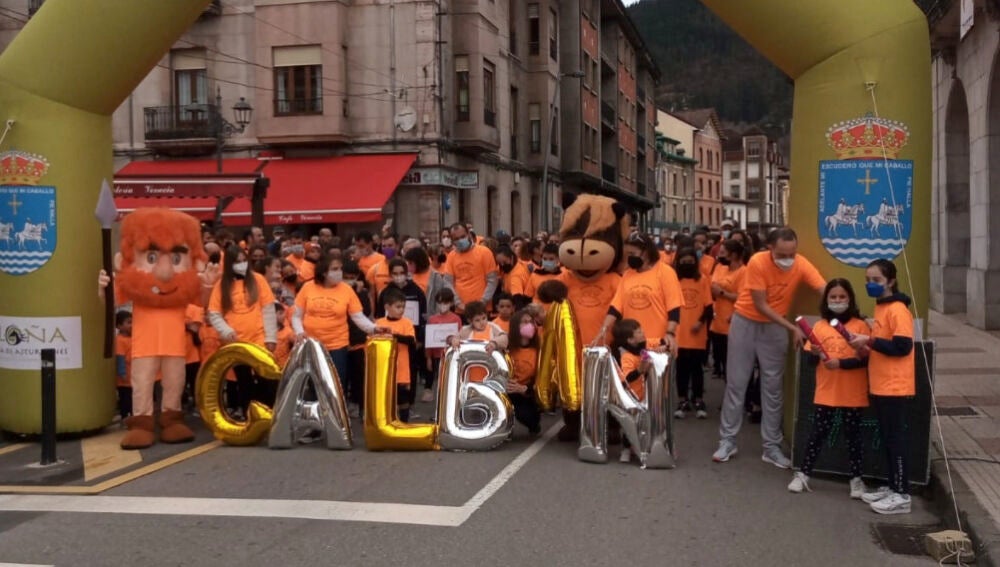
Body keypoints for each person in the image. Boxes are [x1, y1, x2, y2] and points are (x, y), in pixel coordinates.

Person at [714, 227, 826, 467]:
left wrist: (840, 310)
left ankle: (771, 447)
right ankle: (728, 441)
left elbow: (823, 289)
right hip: (746, 322)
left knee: (773, 387)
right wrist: (793, 328)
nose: (788, 259)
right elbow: (761, 305)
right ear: (770, 248)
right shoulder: (757, 262)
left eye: (792, 253)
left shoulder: (801, 264)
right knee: (737, 383)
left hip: (774, 329)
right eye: (783, 254)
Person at [788, 279, 870, 497]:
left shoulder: (860, 326)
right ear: (826, 300)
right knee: (817, 434)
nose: (837, 301)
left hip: (853, 392)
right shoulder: (820, 326)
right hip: (827, 392)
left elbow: (866, 361)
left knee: (853, 436)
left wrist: (841, 363)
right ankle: (803, 474)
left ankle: (856, 479)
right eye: (833, 297)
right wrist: (814, 354)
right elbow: (811, 363)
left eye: (842, 297)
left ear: (850, 299)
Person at [848, 259, 916, 514]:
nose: (870, 285)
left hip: (894, 385)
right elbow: (882, 344)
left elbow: (902, 347)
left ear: (890, 281)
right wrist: (866, 343)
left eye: (876, 280)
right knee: (888, 438)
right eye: (868, 280)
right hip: (880, 383)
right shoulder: (881, 308)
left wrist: (870, 340)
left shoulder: (897, 310)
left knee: (896, 439)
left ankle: (902, 494)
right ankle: (893, 485)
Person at [293, 252, 379, 396]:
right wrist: (299, 331)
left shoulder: (347, 290)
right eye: (334, 269)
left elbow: (358, 317)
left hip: (338, 345)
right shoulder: (308, 287)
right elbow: (296, 316)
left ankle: (337, 417)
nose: (338, 273)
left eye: (339, 269)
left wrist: (374, 328)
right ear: (324, 271)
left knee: (336, 384)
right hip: (312, 344)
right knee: (314, 383)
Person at [208, 245, 278, 415]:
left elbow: (268, 309)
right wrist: (226, 331)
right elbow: (214, 313)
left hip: (259, 339)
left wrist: (271, 337)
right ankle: (248, 414)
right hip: (236, 342)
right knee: (243, 380)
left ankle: (269, 413)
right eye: (237, 262)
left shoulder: (258, 280)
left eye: (243, 261)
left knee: (266, 379)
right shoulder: (221, 286)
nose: (241, 264)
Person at [597, 232, 682, 356]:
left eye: (632, 254)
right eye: (627, 254)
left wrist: (670, 333)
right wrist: (604, 329)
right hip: (632, 344)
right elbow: (615, 308)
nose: (629, 258)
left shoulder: (666, 273)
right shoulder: (627, 275)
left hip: (658, 345)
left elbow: (674, 309)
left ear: (646, 252)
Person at [612, 318, 664, 463]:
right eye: (639, 332)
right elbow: (626, 378)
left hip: (645, 395)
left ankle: (640, 448)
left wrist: (663, 347)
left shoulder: (645, 345)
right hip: (632, 397)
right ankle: (626, 449)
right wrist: (640, 370)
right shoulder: (627, 357)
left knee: (644, 423)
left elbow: (662, 341)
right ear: (630, 340)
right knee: (631, 424)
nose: (643, 333)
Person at [673, 248, 713, 419]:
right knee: (681, 369)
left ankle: (698, 399)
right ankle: (682, 399)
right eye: (684, 261)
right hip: (679, 333)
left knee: (696, 368)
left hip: (697, 333)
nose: (687, 264)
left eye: (690, 261)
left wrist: (699, 322)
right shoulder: (674, 281)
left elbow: (709, 307)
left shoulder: (702, 280)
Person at [376, 287, 417, 422]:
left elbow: (411, 341)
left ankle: (404, 423)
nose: (401, 310)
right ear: (387, 307)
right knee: (386, 397)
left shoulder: (407, 323)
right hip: (384, 369)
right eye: (398, 307)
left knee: (403, 399)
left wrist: (393, 335)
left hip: (402, 369)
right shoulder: (379, 323)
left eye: (403, 307)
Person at [709, 239, 747, 381]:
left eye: (723, 253)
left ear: (734, 255)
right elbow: (712, 288)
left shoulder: (744, 272)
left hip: (733, 325)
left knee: (736, 367)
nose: (720, 256)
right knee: (723, 364)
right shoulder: (719, 267)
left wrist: (722, 293)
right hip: (717, 324)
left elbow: (744, 298)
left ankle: (744, 400)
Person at [442, 223, 499, 315]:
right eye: (456, 239)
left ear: (468, 234)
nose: (460, 240)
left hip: (483, 308)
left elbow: (492, 280)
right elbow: (448, 282)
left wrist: (483, 301)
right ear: (452, 240)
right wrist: (458, 303)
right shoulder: (451, 256)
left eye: (462, 236)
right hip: (460, 310)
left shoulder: (484, 252)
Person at [449, 300, 509, 383]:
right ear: (470, 321)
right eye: (477, 320)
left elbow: (504, 337)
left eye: (484, 318)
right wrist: (453, 340)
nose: (482, 322)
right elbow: (452, 338)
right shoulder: (465, 330)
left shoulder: (492, 327)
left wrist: (494, 343)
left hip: (491, 371)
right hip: (472, 371)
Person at [506, 308, 542, 436]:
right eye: (524, 322)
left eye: (531, 322)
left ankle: (533, 425)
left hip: (525, 391)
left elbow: (541, 381)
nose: (529, 325)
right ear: (516, 326)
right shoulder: (507, 346)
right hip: (506, 389)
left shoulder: (539, 350)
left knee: (528, 417)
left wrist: (524, 389)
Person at [424, 288, 462, 403]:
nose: (442, 305)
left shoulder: (456, 319)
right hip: (436, 355)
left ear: (451, 303)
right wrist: (428, 358)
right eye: (439, 302)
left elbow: (459, 337)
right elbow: (428, 342)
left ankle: (449, 403)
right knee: (439, 382)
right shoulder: (432, 319)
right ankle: (439, 404)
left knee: (450, 382)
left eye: (445, 302)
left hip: (450, 355)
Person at [115, 310, 133, 421]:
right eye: (129, 322)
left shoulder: (131, 338)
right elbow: (120, 358)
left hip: (132, 377)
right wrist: (122, 373)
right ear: (119, 326)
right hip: (125, 379)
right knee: (126, 399)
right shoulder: (120, 340)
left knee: (131, 399)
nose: (132, 325)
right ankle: (125, 417)